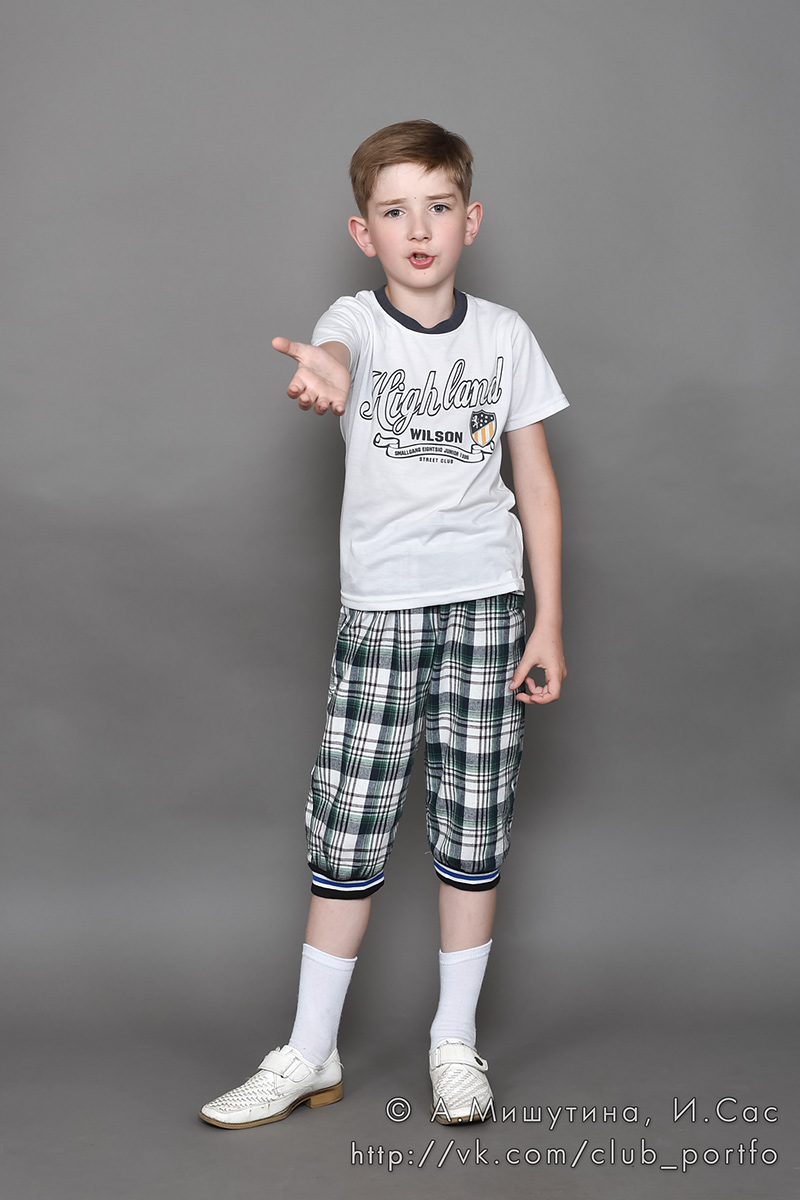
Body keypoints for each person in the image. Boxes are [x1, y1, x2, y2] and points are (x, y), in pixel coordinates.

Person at [199, 119, 569, 1130]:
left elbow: (536, 485)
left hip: (488, 608)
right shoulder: (353, 321)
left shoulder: (505, 336)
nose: (418, 229)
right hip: (383, 612)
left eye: (437, 208)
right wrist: (323, 369)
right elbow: (337, 351)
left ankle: (454, 1041)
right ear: (364, 233)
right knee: (350, 829)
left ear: (469, 220)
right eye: (394, 212)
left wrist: (548, 622)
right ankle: (309, 1050)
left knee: (472, 824)